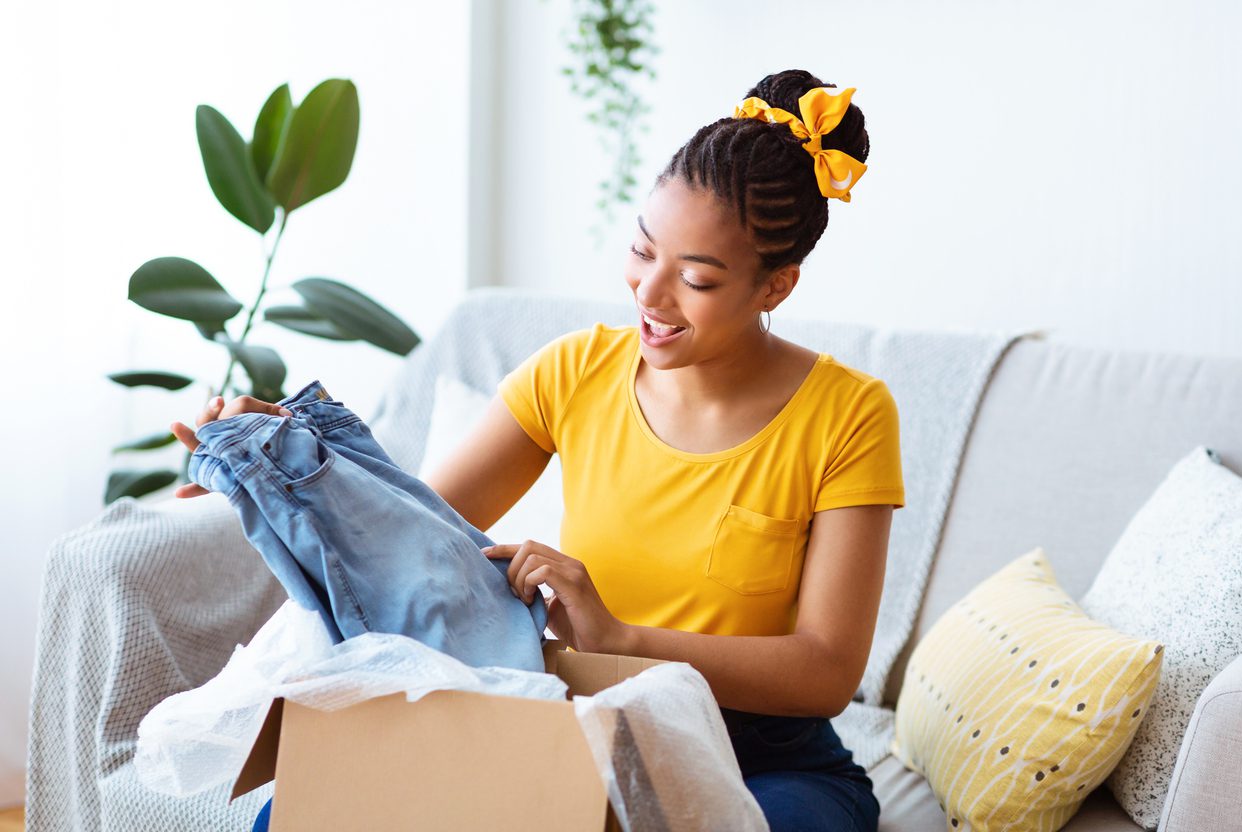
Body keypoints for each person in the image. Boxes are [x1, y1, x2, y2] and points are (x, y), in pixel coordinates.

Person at [173, 67, 900, 832]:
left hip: (764, 758)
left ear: (774, 287)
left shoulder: (848, 414)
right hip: (578, 732)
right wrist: (279, 455)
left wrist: (622, 638)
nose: (649, 295)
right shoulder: (575, 370)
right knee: (302, 809)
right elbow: (410, 530)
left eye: (694, 279)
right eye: (641, 251)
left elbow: (825, 671)